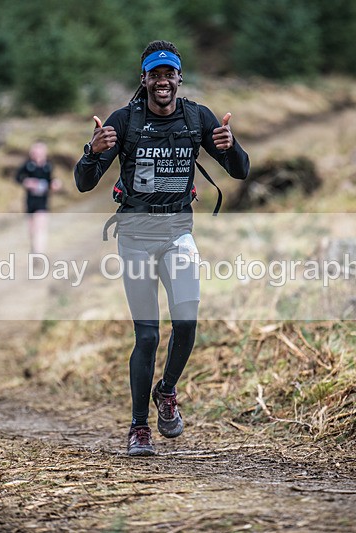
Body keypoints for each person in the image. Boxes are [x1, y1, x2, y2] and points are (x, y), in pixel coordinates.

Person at [74, 40, 250, 456]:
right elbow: (84, 183)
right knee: (148, 336)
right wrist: (91, 152)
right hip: (135, 238)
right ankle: (139, 429)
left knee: (187, 324)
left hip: (178, 235)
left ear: (178, 77)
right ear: (145, 80)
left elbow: (241, 171)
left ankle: (166, 390)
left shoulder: (197, 117)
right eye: (155, 75)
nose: (162, 82)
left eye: (169, 74)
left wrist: (230, 145)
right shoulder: (125, 121)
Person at [16, 142, 60, 254]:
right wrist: (27, 182)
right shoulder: (27, 165)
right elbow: (17, 177)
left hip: (43, 201)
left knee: (40, 226)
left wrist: (54, 184)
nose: (37, 154)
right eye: (35, 152)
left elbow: (49, 181)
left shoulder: (48, 166)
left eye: (40, 152)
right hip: (30, 201)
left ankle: (39, 253)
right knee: (32, 229)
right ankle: (34, 248)